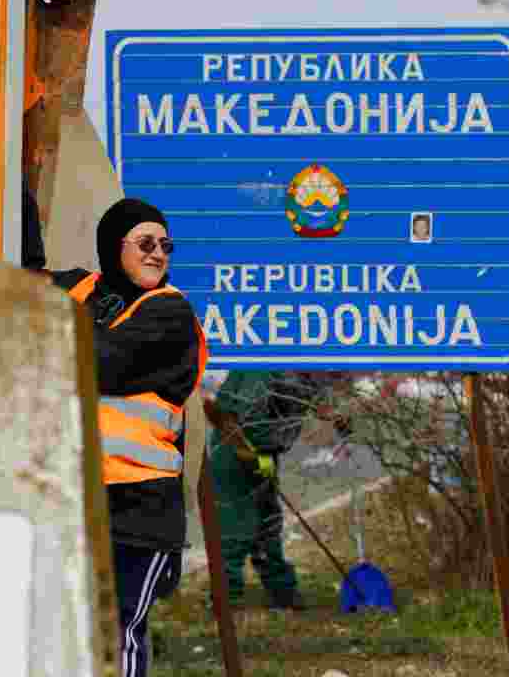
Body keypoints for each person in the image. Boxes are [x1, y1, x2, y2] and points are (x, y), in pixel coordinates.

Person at [50, 198, 207, 677]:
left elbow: (99, 360)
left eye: (165, 245)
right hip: (74, 504)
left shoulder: (170, 314)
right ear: (111, 248)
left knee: (114, 633)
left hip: (138, 513)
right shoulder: (82, 291)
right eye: (145, 243)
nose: (158, 253)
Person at [202, 370, 321, 611]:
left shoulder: (302, 369)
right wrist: (259, 454)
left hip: (262, 450)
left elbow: (306, 401)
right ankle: (226, 598)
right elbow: (247, 419)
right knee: (236, 526)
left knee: (267, 522)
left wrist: (265, 456)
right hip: (233, 450)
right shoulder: (263, 369)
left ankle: (283, 592)